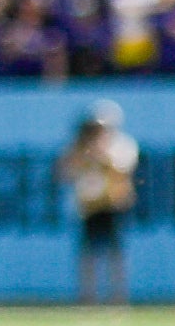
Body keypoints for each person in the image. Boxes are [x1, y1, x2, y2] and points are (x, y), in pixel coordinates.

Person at [60, 103, 139, 305]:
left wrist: (100, 154)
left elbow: (122, 170)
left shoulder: (121, 145)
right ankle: (88, 297)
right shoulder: (77, 148)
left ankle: (118, 297)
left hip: (113, 203)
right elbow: (64, 173)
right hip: (89, 205)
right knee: (88, 253)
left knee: (115, 252)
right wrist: (83, 155)